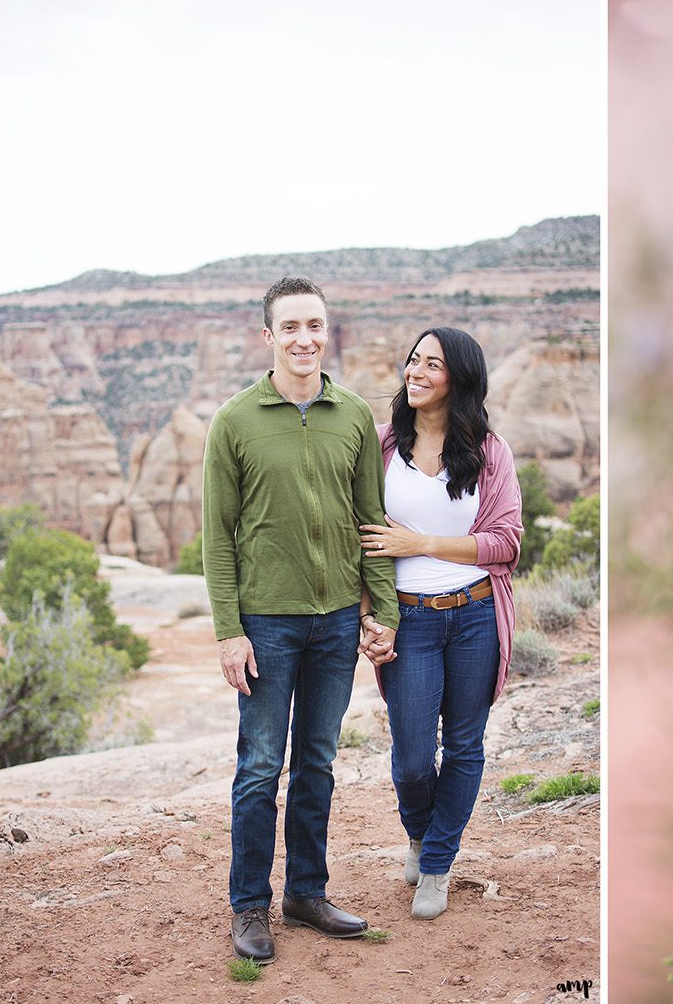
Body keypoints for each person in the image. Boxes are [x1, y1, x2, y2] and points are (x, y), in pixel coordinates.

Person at [202, 275, 399, 964]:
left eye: (314, 324)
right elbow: (217, 535)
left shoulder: (351, 414)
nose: (304, 338)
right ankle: (249, 904)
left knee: (316, 760)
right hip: (266, 623)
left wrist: (385, 612)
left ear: (327, 330)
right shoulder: (234, 420)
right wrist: (229, 628)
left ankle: (306, 893)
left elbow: (371, 522)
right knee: (259, 765)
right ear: (269, 337)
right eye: (290, 327)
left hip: (338, 619)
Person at [356, 325, 523, 921]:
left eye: (433, 364)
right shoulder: (377, 448)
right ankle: (419, 833)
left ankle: (438, 863)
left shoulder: (488, 451)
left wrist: (421, 541)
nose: (416, 372)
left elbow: (505, 544)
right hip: (411, 623)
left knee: (465, 746)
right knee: (409, 757)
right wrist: (367, 616)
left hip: (476, 614)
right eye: (413, 360)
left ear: (460, 378)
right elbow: (358, 545)